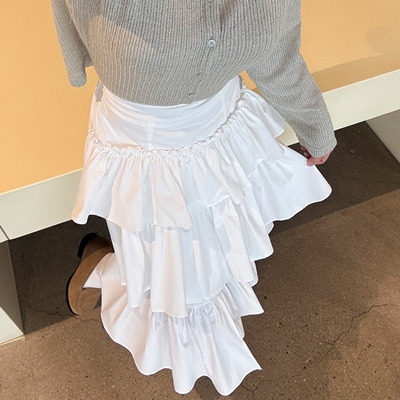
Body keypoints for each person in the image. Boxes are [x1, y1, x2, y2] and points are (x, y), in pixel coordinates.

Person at [51, 0, 336, 395]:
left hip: (219, 119)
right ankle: (120, 281)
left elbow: (277, 52)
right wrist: (74, 55)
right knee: (177, 270)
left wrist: (314, 123)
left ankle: (118, 273)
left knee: (210, 249)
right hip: (146, 139)